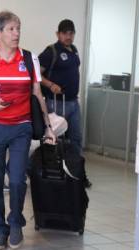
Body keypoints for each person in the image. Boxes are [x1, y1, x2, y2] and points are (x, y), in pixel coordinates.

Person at [0, 11, 56, 250]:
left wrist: (48, 127)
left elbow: (38, 95)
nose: (17, 33)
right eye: (11, 29)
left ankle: (15, 223)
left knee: (16, 180)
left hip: (21, 128)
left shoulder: (29, 59)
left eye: (18, 29)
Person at [38, 19, 92, 188]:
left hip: (73, 103)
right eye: (65, 33)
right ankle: (52, 174)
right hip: (56, 103)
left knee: (76, 139)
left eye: (71, 33)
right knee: (54, 140)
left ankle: (77, 174)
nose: (68, 36)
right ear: (58, 34)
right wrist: (50, 85)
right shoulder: (51, 51)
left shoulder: (74, 50)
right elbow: (36, 76)